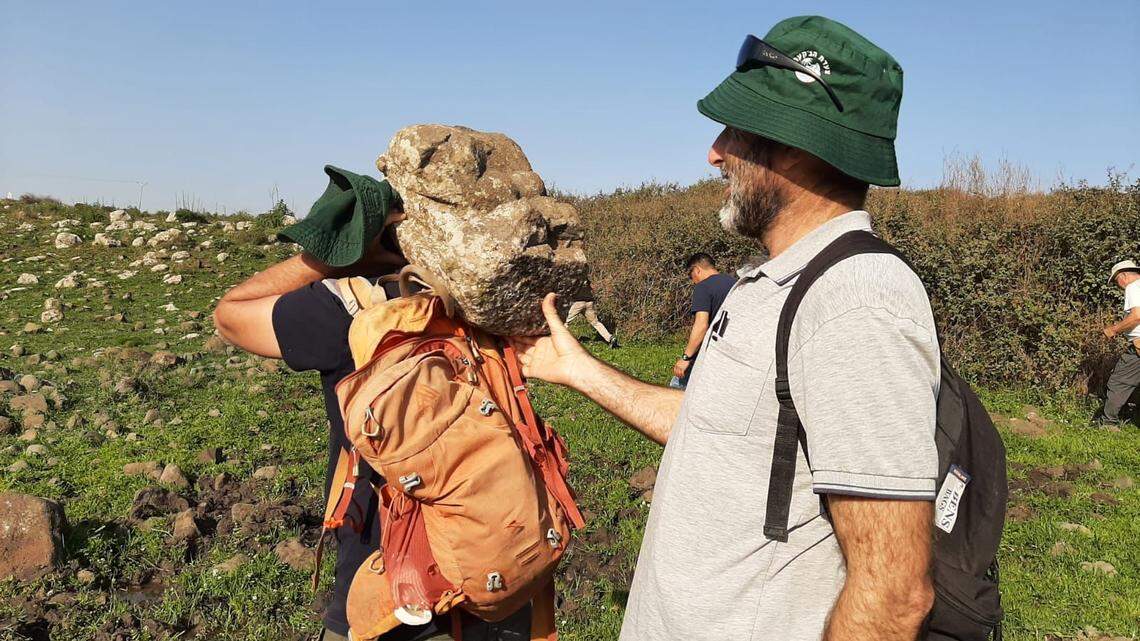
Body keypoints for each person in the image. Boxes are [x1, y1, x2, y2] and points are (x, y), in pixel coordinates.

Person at [512, 16, 937, 641]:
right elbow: (719, 431)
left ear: (796, 146)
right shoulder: (774, 284)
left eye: (736, 131)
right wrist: (580, 370)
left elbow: (894, 592)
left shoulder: (856, 300)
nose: (714, 152)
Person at [213, 167, 529, 641]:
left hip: (388, 572)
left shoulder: (343, 307)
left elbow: (230, 314)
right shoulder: (477, 302)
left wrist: (322, 260)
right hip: (501, 556)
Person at [669, 253, 736, 389]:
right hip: (732, 354)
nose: (693, 280)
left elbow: (701, 325)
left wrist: (686, 358)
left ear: (697, 269)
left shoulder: (703, 287)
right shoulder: (736, 283)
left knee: (677, 388)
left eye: (691, 275)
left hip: (710, 352)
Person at [1098, 260, 1140, 424]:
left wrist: (1113, 330)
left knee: (1119, 382)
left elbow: (1137, 316)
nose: (1119, 286)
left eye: (1116, 282)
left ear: (1123, 275)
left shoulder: (1134, 286)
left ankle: (1108, 423)